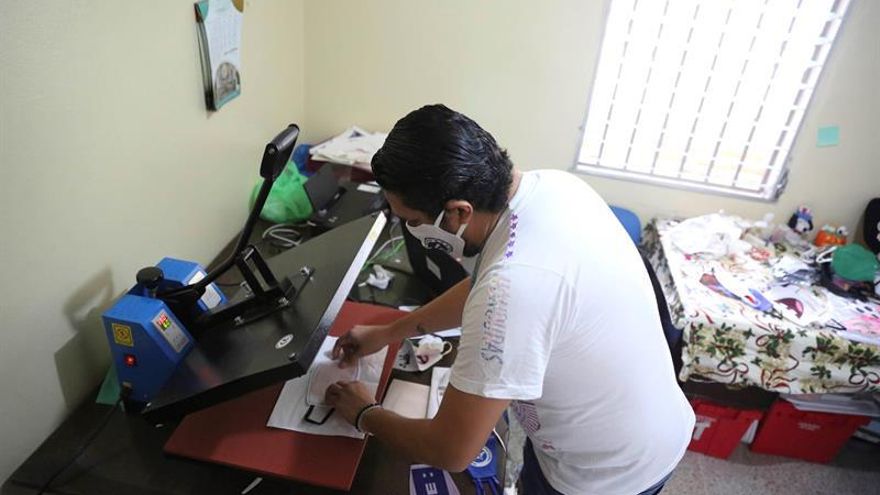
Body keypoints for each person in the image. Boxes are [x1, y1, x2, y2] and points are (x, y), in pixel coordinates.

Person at [325, 104, 695, 495]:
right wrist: (388, 332)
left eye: (412, 221)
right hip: (635, 421)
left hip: (607, 472)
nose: (409, 230)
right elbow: (482, 288)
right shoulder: (554, 187)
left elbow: (450, 450)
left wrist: (364, 412)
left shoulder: (513, 287)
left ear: (457, 212)